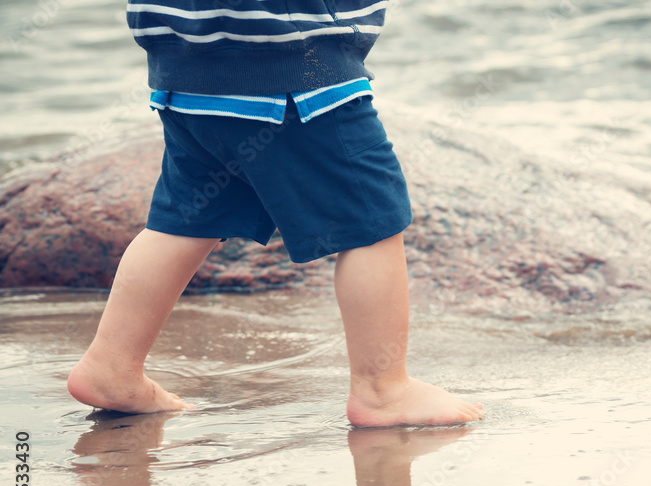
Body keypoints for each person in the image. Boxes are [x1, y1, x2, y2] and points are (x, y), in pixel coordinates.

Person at [67, 0, 484, 427]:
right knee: (372, 222)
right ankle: (383, 390)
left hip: (183, 66)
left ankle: (111, 365)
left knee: (186, 220)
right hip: (293, 70)